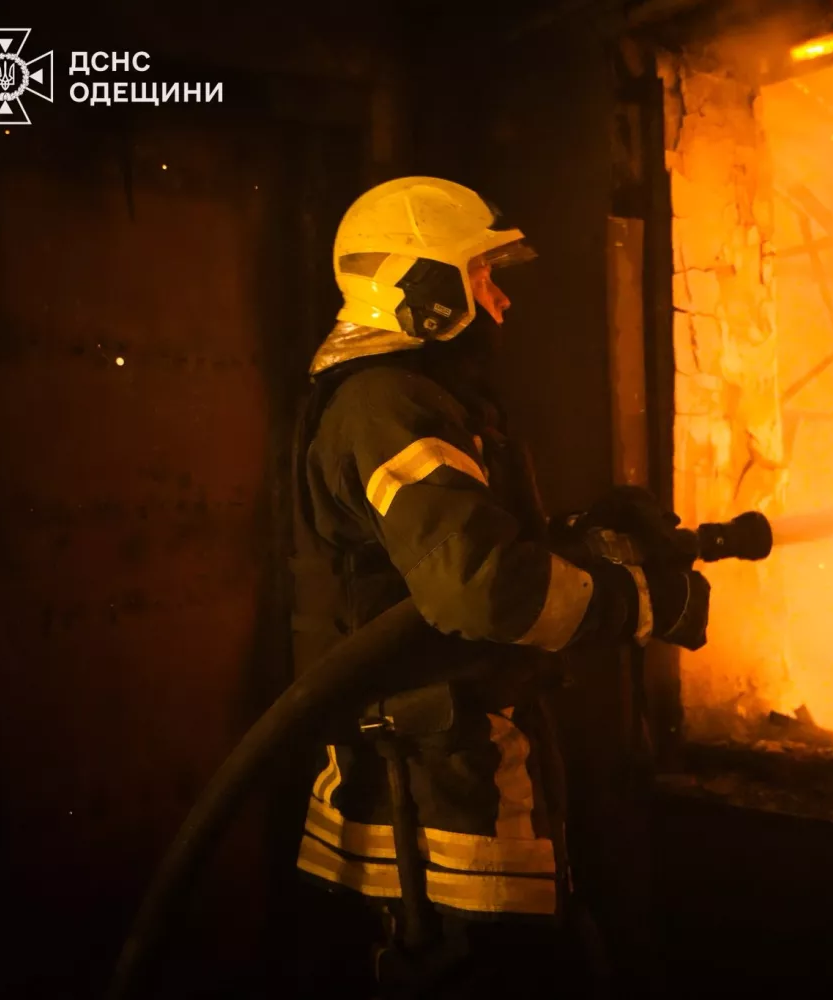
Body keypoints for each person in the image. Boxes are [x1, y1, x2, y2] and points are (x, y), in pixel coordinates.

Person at [287, 176, 708, 998]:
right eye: (483, 277)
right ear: (424, 290)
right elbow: (481, 587)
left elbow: (460, 550)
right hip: (435, 805)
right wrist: (641, 604)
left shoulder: (410, 403)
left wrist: (590, 540)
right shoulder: (383, 406)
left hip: (452, 774)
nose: (502, 303)